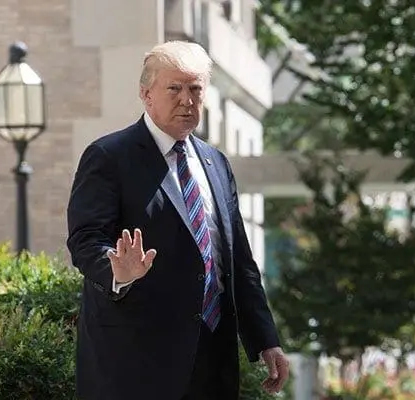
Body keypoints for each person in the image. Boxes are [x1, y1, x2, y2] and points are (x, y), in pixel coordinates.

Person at [66, 40, 289, 400]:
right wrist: (117, 271)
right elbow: (85, 238)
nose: (186, 99)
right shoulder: (109, 157)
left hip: (212, 356)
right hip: (136, 360)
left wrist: (266, 340)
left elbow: (238, 262)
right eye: (174, 88)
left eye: (195, 88)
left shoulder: (216, 163)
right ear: (146, 93)